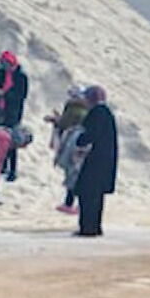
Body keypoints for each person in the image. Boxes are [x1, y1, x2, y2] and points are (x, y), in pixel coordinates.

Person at [71, 85, 118, 237]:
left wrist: (79, 141)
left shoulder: (97, 113)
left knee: (87, 193)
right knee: (96, 196)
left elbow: (91, 133)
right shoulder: (105, 112)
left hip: (95, 159)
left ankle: (88, 228)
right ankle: (94, 226)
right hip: (104, 159)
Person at [0, 50, 30, 182]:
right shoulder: (2, 72)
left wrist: (4, 93)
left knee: (11, 139)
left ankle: (13, 170)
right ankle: (2, 165)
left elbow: (21, 96)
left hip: (13, 112)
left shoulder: (21, 77)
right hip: (0, 107)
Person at [46, 85, 90, 214]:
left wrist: (56, 120)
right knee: (76, 173)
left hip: (72, 143)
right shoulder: (85, 109)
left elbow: (64, 123)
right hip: (78, 144)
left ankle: (70, 203)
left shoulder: (73, 108)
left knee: (73, 173)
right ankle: (73, 202)